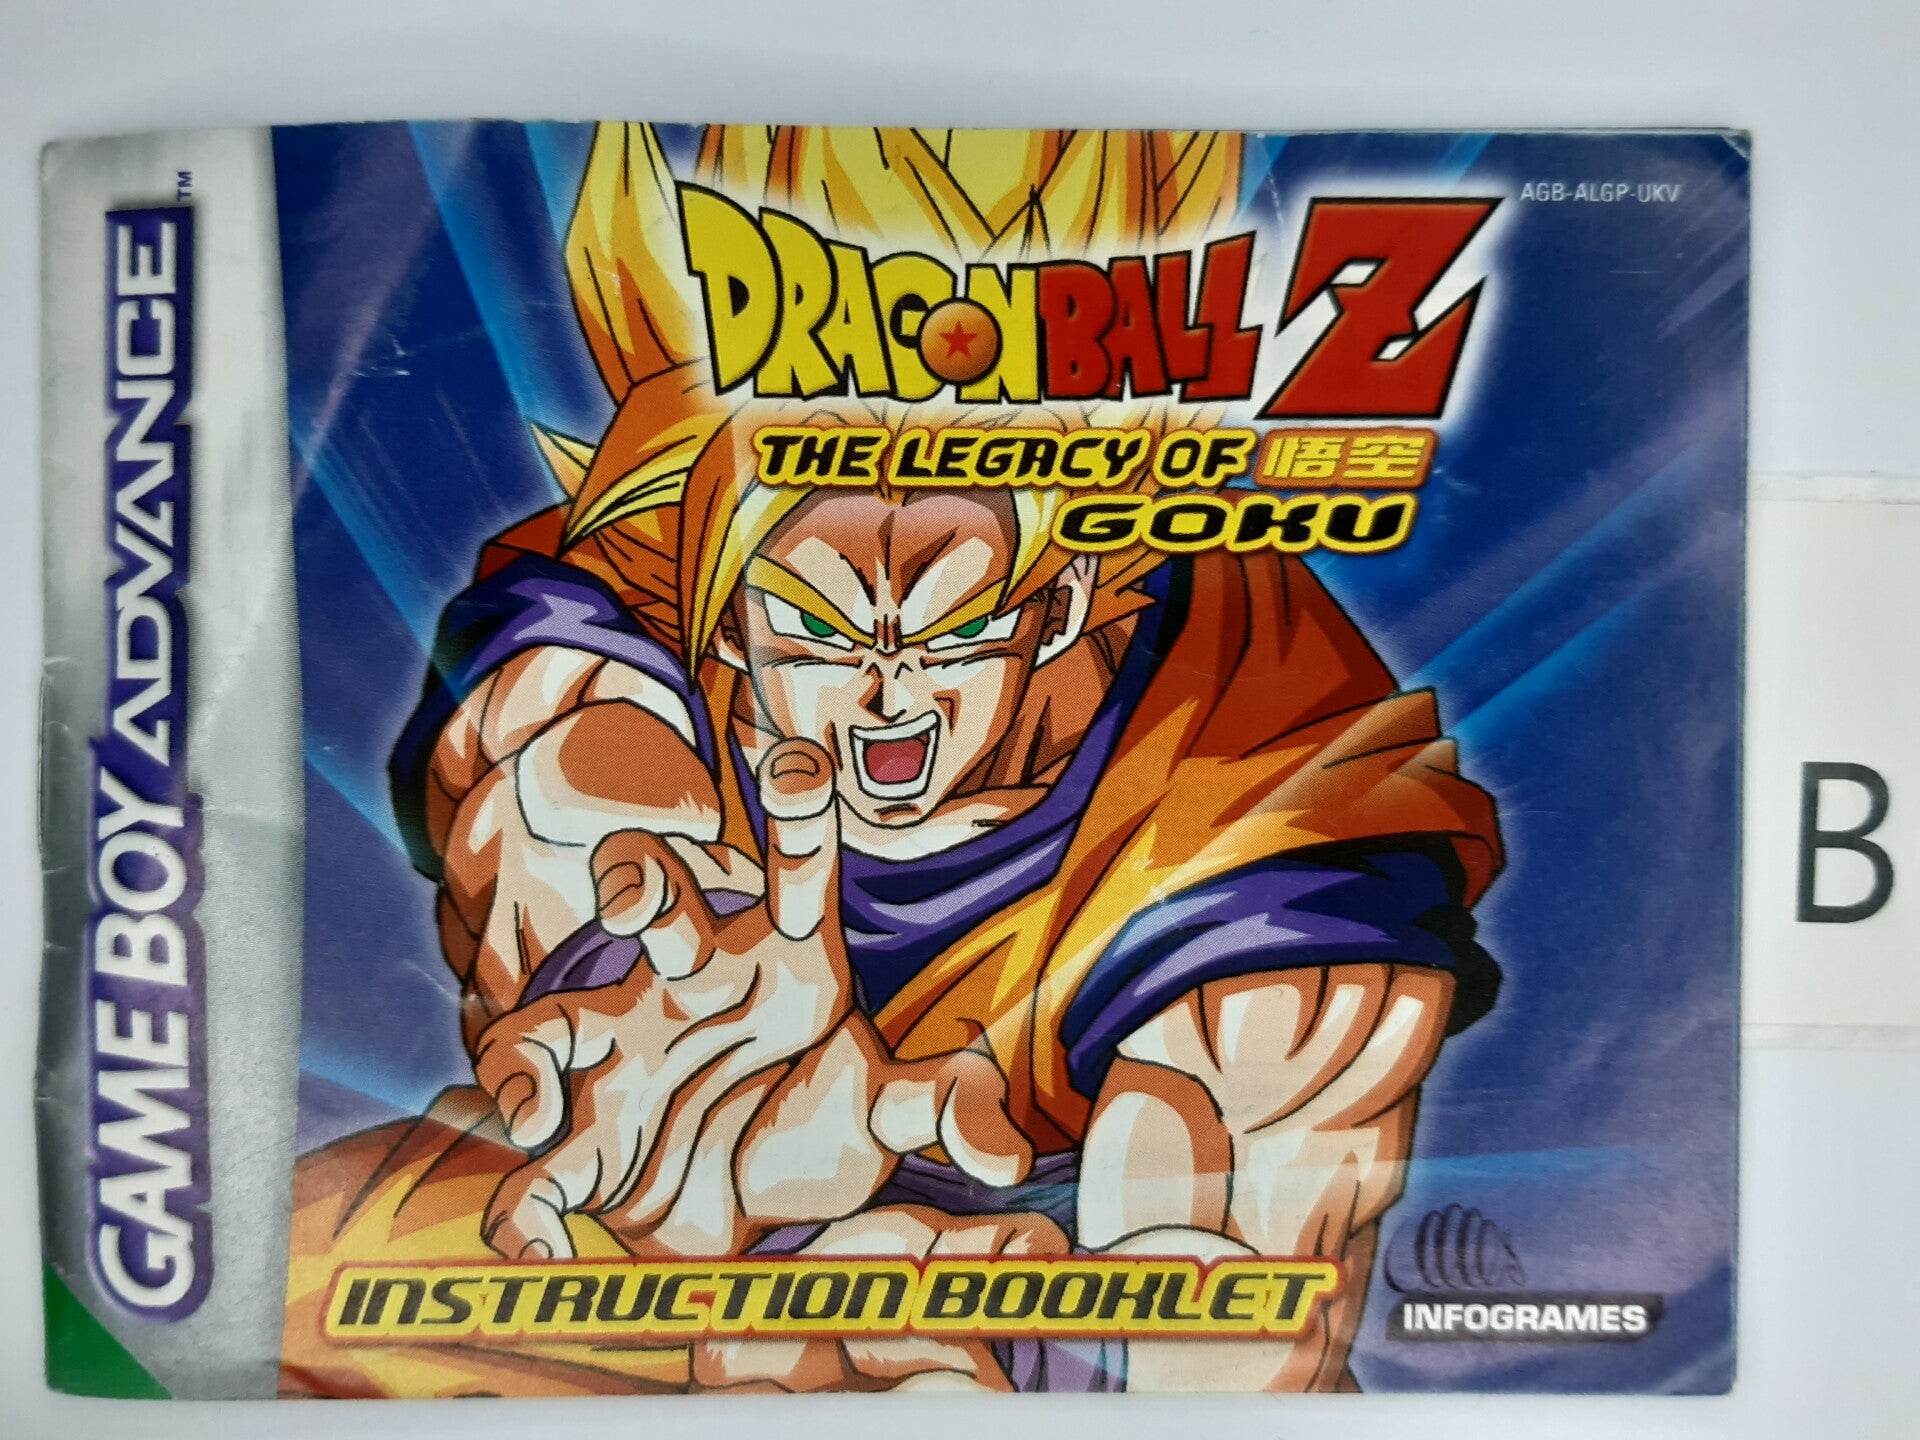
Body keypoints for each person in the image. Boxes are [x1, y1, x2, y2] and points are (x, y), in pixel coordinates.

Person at [282, 122, 1503, 1397]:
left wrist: (1013, 1350)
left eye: (950, 627)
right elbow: (563, 778)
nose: (884, 695)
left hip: (1015, 1286)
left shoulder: (1270, 790)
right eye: (814, 627)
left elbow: (1228, 1310)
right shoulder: (639, 587)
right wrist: (637, 983)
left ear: (1066, 592)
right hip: (654, 1227)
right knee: (328, 1271)